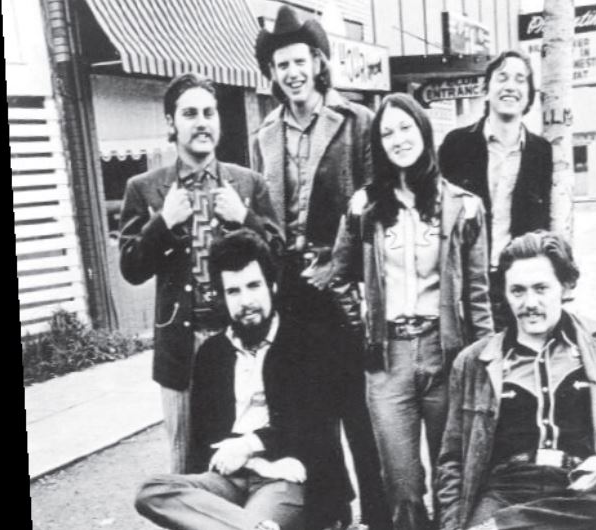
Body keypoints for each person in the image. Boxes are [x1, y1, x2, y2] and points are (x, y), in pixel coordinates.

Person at [330, 93, 494, 530]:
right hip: (388, 359)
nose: (398, 139)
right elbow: (338, 275)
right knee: (400, 482)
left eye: (406, 127)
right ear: (378, 144)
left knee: (450, 473)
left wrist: (485, 361)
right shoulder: (365, 205)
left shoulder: (463, 205)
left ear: (423, 131)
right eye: (387, 133)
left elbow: (478, 294)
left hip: (446, 353)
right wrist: (363, 327)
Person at [253, 6, 389, 529]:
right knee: (311, 411)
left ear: (317, 62)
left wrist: (340, 264)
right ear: (272, 72)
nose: (292, 73)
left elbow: (376, 205)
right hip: (291, 291)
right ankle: (334, 513)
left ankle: (380, 515)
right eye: (281, 65)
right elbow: (266, 215)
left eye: (299, 61)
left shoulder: (357, 122)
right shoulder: (265, 134)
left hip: (344, 287)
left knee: (361, 410)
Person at [436, 231, 596, 530]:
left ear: (565, 286)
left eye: (541, 288)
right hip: (506, 491)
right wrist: (453, 526)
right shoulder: (474, 361)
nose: (530, 303)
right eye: (518, 291)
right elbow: (452, 459)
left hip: (581, 492)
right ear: (505, 294)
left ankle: (505, 526)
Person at [135, 229, 352, 530]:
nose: (246, 301)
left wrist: (250, 446)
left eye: (253, 286)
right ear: (223, 298)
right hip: (228, 478)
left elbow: (314, 428)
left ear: (272, 286)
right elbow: (203, 439)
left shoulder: (303, 342)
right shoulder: (212, 354)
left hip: (284, 477)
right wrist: (252, 463)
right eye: (234, 291)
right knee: (152, 491)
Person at [119, 73, 282, 473]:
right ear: (171, 123)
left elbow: (280, 260)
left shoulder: (248, 184)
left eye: (209, 113)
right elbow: (131, 268)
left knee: (247, 453)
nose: (202, 122)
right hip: (183, 346)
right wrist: (163, 223)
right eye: (190, 113)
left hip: (241, 338)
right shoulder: (144, 188)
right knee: (186, 463)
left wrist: (244, 217)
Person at [437, 50, 553, 329]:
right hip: (466, 284)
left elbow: (544, 221)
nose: (510, 86)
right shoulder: (456, 144)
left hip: (518, 282)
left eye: (520, 80)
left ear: (529, 95)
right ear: (486, 89)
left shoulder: (540, 151)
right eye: (502, 78)